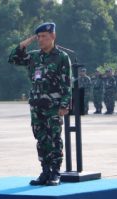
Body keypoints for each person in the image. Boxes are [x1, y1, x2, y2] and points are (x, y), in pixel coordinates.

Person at [8, 22, 71, 186]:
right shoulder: (34, 57)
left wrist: (64, 105)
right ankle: (45, 171)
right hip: (36, 106)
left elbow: (66, 83)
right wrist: (24, 44)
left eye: (44, 36)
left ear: (53, 36)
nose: (41, 40)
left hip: (53, 106)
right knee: (41, 138)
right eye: (39, 37)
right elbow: (13, 59)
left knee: (54, 139)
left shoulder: (61, 57)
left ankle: (55, 172)